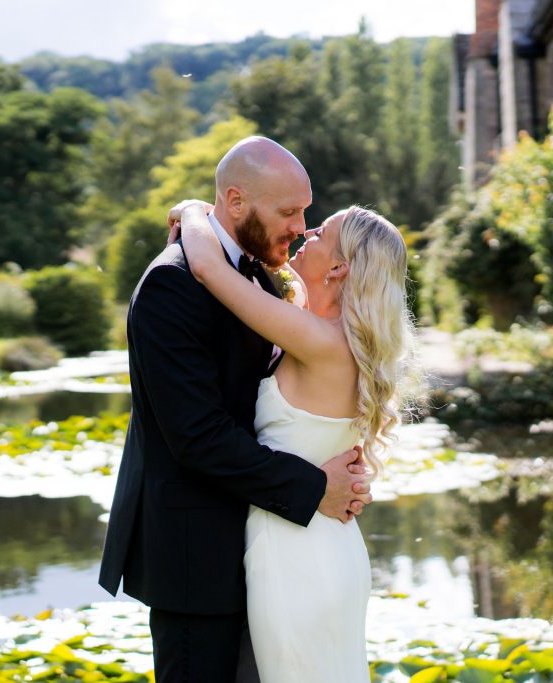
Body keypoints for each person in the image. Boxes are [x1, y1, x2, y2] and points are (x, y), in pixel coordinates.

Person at [98, 136, 375, 683]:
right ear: (236, 201)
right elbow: (197, 435)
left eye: (305, 213)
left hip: (268, 548)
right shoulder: (171, 283)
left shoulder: (258, 274)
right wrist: (314, 486)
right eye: (288, 212)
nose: (300, 227)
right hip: (197, 558)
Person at [172, 196, 414, 681]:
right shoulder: (330, 336)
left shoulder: (320, 340)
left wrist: (196, 210)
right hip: (321, 543)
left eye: (321, 233)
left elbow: (206, 267)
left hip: (297, 557)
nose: (306, 233)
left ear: (340, 268)